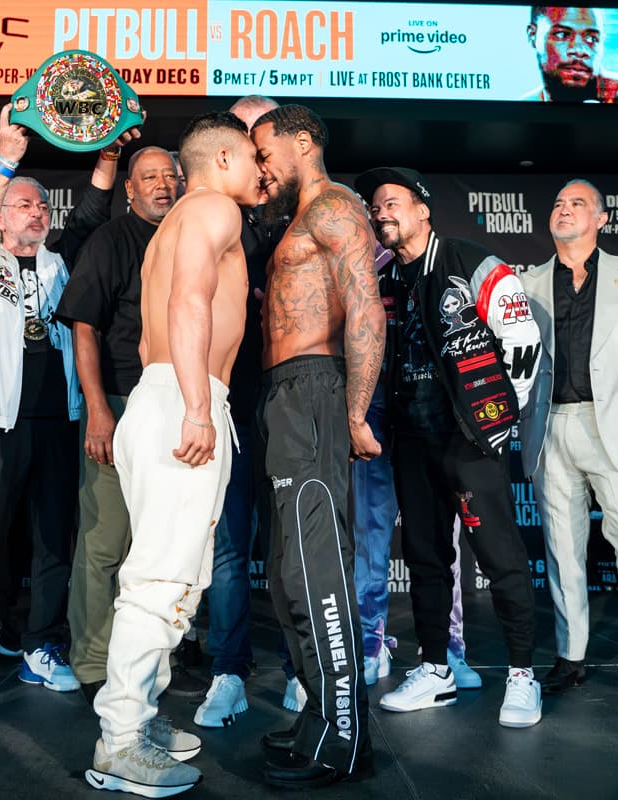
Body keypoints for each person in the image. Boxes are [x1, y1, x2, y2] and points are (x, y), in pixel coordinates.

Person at [86, 110, 262, 798]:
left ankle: (142, 719)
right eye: (251, 157)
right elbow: (190, 300)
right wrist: (196, 405)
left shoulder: (180, 222)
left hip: (166, 399)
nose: (261, 169)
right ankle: (120, 741)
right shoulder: (214, 207)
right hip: (179, 401)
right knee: (161, 582)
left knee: (175, 583)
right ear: (220, 160)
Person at [0, 106, 133, 704]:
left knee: (55, 537)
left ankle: (39, 647)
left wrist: (107, 158)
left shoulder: (62, 261)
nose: (37, 212)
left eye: (42, 205)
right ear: (2, 218)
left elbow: (95, 212)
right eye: (23, 205)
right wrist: (8, 160)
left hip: (60, 419)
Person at [355, 167, 543, 728]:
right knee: (425, 556)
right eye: (374, 206)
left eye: (391, 202)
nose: (380, 212)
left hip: (470, 439)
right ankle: (435, 668)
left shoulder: (473, 262)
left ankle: (521, 675)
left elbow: (524, 343)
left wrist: (495, 423)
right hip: (412, 439)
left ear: (423, 209)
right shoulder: (383, 276)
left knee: (500, 558)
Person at [249, 104, 384, 788]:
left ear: (303, 142)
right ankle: (318, 720)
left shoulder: (333, 208)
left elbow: (364, 307)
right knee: (286, 574)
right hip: (284, 393)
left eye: (265, 149)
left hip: (314, 390)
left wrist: (356, 409)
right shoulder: (294, 217)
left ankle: (344, 735)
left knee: (315, 570)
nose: (260, 164)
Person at [517, 179, 618, 697]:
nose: (564, 209)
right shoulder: (529, 282)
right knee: (563, 549)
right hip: (550, 425)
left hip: (613, 427)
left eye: (577, 203)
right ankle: (571, 654)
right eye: (558, 202)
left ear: (601, 219)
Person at [58, 146, 180, 705]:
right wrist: (98, 409)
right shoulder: (111, 240)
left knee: (161, 545)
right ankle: (91, 663)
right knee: (106, 542)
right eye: (149, 177)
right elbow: (84, 328)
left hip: (180, 408)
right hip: (120, 402)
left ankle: (149, 661)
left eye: (171, 176)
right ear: (128, 190)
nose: (163, 184)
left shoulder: (190, 239)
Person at [195, 93, 300, 728]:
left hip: (290, 401)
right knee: (230, 549)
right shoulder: (208, 214)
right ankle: (228, 673)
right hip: (227, 400)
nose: (256, 152)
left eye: (263, 135)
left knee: (291, 550)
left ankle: (299, 671)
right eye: (244, 136)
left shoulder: (304, 212)